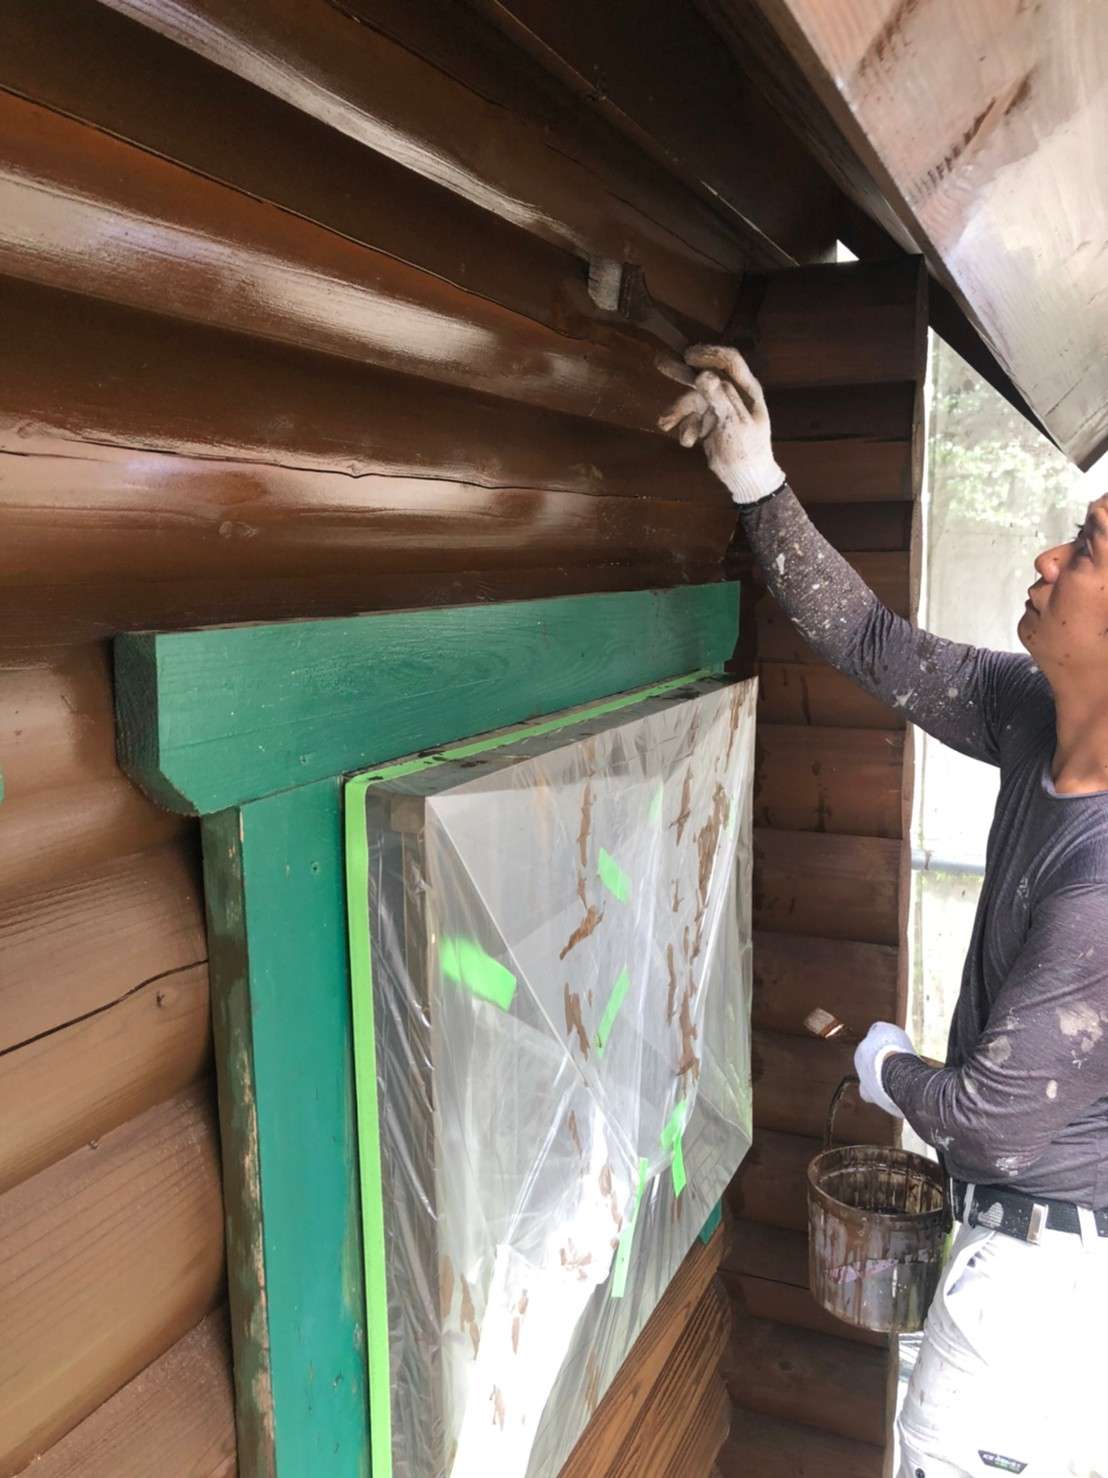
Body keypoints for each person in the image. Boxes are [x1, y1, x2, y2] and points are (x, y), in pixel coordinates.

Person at [659, 346, 1108, 1478]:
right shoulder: (1033, 715)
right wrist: (755, 476)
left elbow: (988, 1124)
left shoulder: (1102, 886)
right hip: (1029, 1273)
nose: (1049, 556)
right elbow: (872, 640)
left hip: (1039, 1303)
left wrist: (885, 1063)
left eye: (1089, 548)